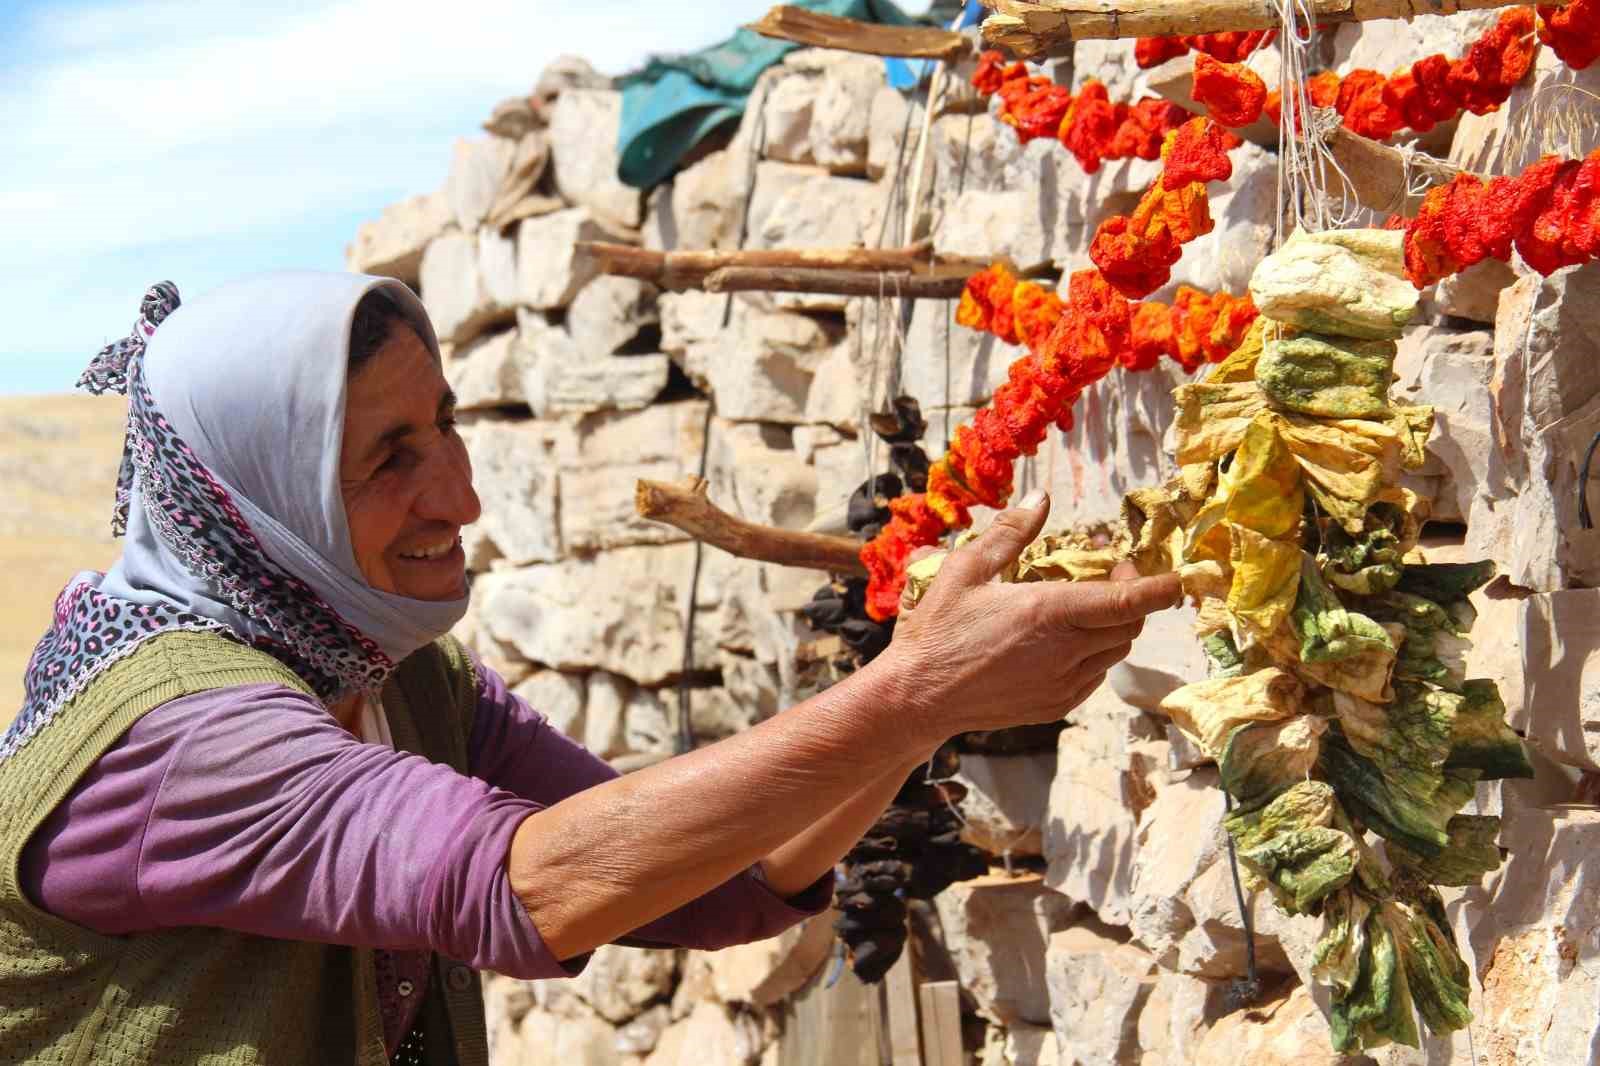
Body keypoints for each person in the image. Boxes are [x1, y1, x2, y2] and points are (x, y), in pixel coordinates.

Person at [0, 274, 1182, 1065]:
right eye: (386, 459)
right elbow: (531, 886)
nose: (458, 496)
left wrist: (923, 711)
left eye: (447, 425)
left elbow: (705, 875)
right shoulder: (171, 742)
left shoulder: (405, 682)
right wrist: (919, 689)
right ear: (255, 499)